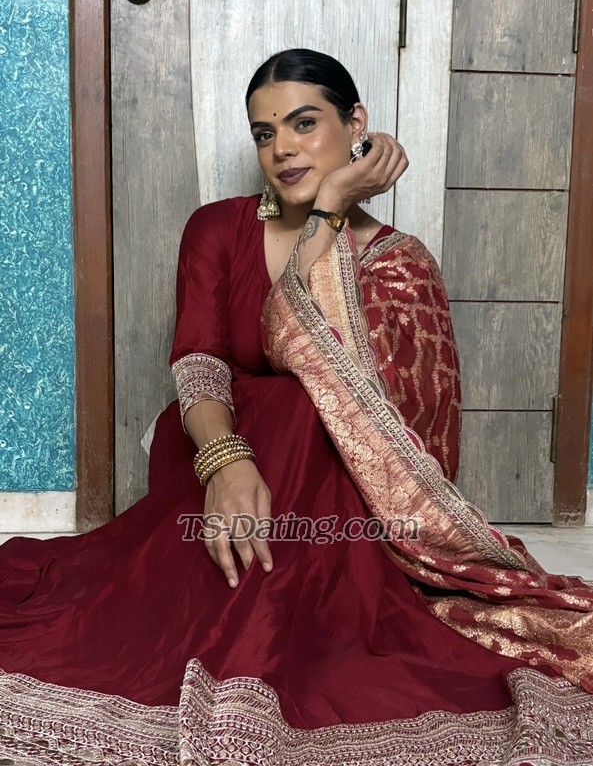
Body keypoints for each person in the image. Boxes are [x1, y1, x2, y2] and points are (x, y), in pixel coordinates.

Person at [0, 49, 592, 765]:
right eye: (264, 133)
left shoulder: (400, 264)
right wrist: (224, 461)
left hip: (336, 484)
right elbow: (199, 361)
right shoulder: (216, 228)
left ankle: (273, 638)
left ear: (356, 124)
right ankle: (241, 632)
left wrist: (329, 208)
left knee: (305, 403)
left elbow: (371, 409)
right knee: (285, 405)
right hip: (212, 446)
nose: (281, 147)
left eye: (304, 123)